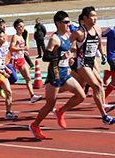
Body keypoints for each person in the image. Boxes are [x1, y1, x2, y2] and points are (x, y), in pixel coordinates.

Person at [28, 11, 86, 139]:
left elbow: (65, 54)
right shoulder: (55, 38)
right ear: (58, 24)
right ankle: (35, 125)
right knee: (49, 105)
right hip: (55, 75)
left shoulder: (66, 37)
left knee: (81, 95)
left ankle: (61, 111)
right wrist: (60, 57)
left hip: (65, 73)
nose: (68, 24)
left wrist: (69, 60)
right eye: (66, 22)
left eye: (69, 22)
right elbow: (46, 57)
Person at [69, 7, 115, 126]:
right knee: (96, 86)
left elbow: (100, 44)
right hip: (81, 63)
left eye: (96, 15)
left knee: (99, 84)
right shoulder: (79, 32)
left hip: (91, 61)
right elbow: (66, 43)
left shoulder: (98, 30)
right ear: (84, 18)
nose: (95, 18)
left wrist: (103, 55)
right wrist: (70, 55)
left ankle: (60, 108)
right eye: (92, 16)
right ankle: (104, 116)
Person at [9, 19, 42, 104]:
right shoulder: (15, 37)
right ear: (16, 28)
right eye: (20, 26)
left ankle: (32, 96)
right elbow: (11, 48)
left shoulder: (22, 37)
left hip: (21, 60)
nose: (23, 28)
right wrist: (22, 48)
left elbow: (19, 49)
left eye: (23, 26)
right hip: (15, 61)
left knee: (28, 78)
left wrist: (24, 52)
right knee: (11, 79)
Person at [0, 29, 17, 120]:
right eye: (1, 37)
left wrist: (6, 69)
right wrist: (2, 72)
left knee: (9, 92)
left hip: (2, 74)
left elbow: (2, 63)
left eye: (4, 36)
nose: (4, 38)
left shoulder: (3, 49)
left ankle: (8, 113)